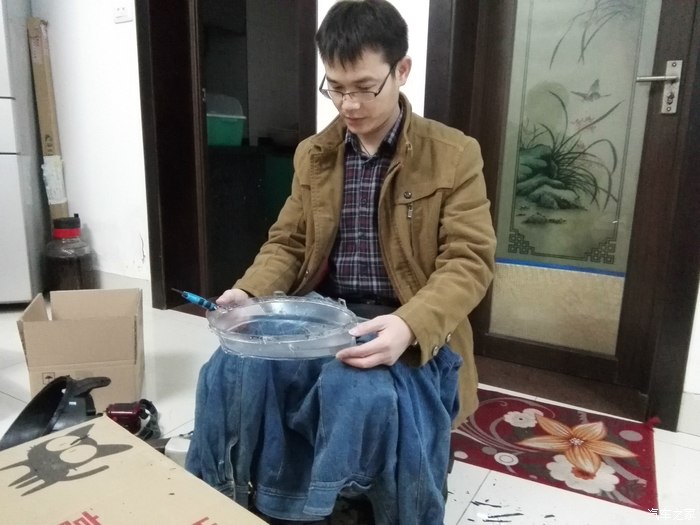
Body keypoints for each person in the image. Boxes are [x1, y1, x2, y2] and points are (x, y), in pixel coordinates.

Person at [185, 1, 496, 523]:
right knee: (229, 369)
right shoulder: (315, 154)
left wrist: (409, 325)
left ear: (401, 70)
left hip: (403, 318)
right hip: (323, 316)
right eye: (335, 87)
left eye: (364, 87)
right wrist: (248, 293)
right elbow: (288, 243)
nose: (348, 104)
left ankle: (334, 499)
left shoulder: (454, 154)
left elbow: (469, 261)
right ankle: (249, 500)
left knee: (354, 391)